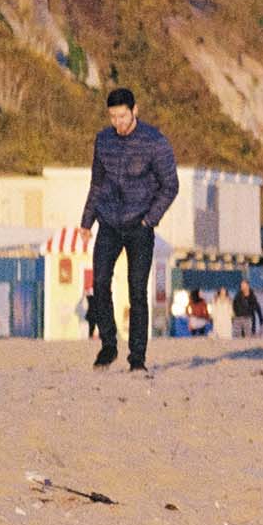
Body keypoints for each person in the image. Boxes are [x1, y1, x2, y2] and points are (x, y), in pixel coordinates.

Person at [82, 86, 178, 372]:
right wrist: (86, 222)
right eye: (113, 117)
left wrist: (150, 219)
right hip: (108, 222)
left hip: (140, 225)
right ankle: (108, 346)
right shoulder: (103, 141)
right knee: (99, 283)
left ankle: (137, 358)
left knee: (137, 291)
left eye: (123, 116)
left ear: (135, 111)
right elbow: (96, 184)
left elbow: (170, 185)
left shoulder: (155, 142)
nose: (118, 123)